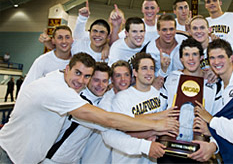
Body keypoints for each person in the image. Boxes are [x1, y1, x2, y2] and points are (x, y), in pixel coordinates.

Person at [0, 53, 178, 164]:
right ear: (67, 68)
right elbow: (110, 122)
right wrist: (156, 124)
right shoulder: (68, 95)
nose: (81, 80)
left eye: (86, 76)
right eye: (78, 73)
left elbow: (114, 120)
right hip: (21, 155)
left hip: (47, 157)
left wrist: (157, 117)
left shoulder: (97, 96)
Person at [111, 53, 176, 164]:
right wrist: (155, 130)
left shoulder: (159, 95)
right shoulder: (122, 98)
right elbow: (124, 132)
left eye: (151, 68)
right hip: (126, 160)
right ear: (135, 72)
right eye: (144, 68)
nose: (149, 72)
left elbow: (164, 127)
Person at [158, 38, 217, 163]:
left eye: (195, 54)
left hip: (199, 151)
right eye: (186, 54)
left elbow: (220, 117)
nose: (191, 59)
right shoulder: (171, 79)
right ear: (181, 59)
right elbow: (160, 108)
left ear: (201, 57)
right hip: (169, 148)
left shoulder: (213, 83)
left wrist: (211, 137)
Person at [80, 60, 132, 163]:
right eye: (118, 75)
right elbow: (120, 125)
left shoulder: (128, 97)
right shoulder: (105, 101)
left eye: (126, 75)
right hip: (93, 156)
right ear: (112, 80)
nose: (123, 79)